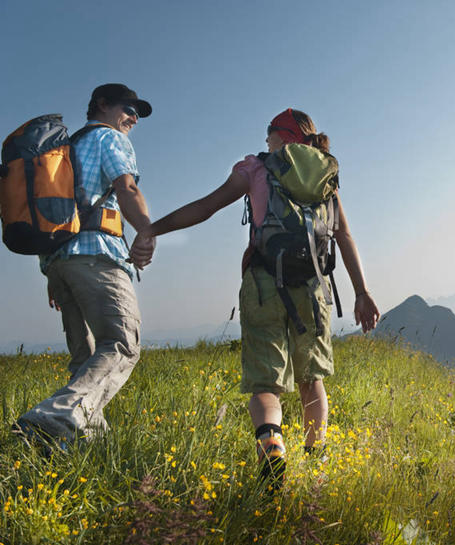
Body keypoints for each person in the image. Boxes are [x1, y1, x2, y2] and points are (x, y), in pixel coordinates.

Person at [129, 108, 379, 488]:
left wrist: (153, 228)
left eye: (269, 133)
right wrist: (362, 292)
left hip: (263, 283)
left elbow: (206, 206)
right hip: (312, 286)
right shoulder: (326, 172)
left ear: (283, 134)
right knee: (312, 380)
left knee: (266, 384)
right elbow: (343, 235)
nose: (265, 141)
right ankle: (316, 461)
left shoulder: (256, 167)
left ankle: (272, 445)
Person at [15, 84, 156, 448]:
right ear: (102, 106)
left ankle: (81, 446)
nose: (134, 117)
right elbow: (126, 186)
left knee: (87, 360)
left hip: (60, 262)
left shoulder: (67, 148)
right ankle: (52, 417)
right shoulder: (108, 138)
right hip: (96, 255)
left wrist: (53, 272)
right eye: (129, 108)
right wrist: (147, 231)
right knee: (122, 343)